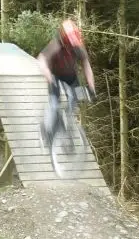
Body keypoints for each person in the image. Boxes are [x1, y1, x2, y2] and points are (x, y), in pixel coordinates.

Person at [38, 19, 96, 150]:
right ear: (64, 39)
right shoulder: (56, 45)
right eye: (69, 44)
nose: (72, 46)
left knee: (73, 104)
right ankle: (46, 131)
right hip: (55, 77)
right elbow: (41, 59)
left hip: (71, 78)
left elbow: (86, 65)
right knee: (54, 105)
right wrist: (47, 74)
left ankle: (67, 134)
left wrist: (91, 88)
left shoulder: (77, 46)